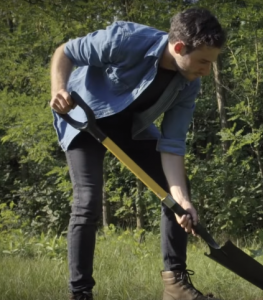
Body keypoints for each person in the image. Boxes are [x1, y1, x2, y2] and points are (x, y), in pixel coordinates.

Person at [49, 7, 226, 300]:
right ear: (179, 47)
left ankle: (175, 285)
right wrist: (58, 89)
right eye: (203, 61)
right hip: (83, 118)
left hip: (130, 126)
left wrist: (181, 199)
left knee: (178, 192)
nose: (206, 70)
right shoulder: (125, 40)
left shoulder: (189, 84)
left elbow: (172, 144)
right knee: (88, 201)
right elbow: (65, 52)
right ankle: (80, 294)